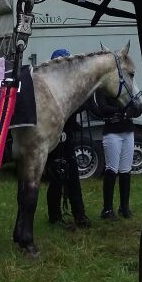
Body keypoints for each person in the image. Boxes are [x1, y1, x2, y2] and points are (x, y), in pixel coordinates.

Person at [44, 49, 91, 228]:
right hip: (54, 136)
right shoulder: (49, 85)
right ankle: (54, 215)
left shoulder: (72, 84)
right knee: (56, 176)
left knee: (73, 176)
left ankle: (79, 214)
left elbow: (81, 104)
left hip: (68, 134)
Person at [89, 84, 142, 220]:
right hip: (112, 132)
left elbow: (137, 104)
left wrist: (133, 108)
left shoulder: (126, 87)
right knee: (111, 168)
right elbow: (103, 107)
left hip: (128, 131)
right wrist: (123, 109)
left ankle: (124, 207)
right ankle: (107, 209)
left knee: (126, 169)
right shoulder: (103, 89)